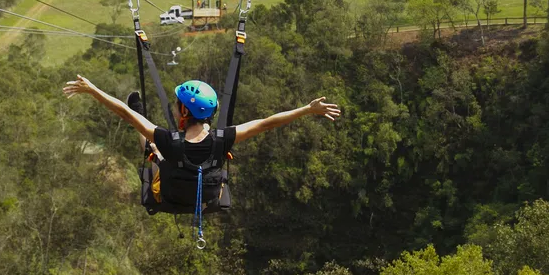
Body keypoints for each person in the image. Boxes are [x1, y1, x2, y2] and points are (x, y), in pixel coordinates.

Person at [62, 75, 341, 208]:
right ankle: (143, 119)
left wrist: (93, 90)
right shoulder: (224, 138)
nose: (173, 108)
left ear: (184, 112)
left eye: (176, 105)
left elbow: (123, 113)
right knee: (157, 145)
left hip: (169, 194)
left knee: (151, 146)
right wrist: (307, 109)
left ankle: (141, 109)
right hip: (208, 197)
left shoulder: (169, 141)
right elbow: (268, 122)